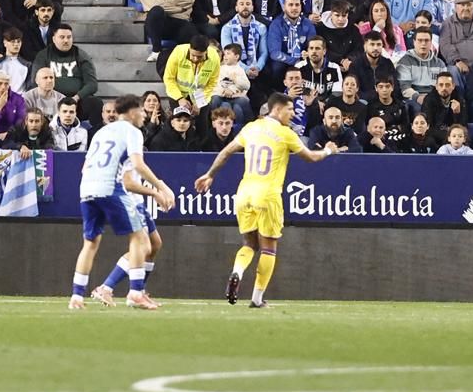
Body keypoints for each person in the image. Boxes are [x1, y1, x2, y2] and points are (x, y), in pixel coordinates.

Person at [194, 91, 337, 309]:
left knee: (249, 243)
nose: (292, 114)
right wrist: (327, 151)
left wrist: (210, 174)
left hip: (244, 192)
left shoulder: (251, 128)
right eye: (290, 109)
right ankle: (257, 298)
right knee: (269, 248)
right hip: (268, 193)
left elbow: (226, 152)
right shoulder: (285, 133)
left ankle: (237, 271)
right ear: (277, 109)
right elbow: (310, 157)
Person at [69, 94, 174, 311]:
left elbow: (84, 166)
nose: (145, 115)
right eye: (142, 111)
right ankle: (135, 292)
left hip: (86, 187)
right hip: (110, 187)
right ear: (133, 111)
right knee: (140, 239)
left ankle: (76, 297)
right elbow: (138, 164)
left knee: (90, 243)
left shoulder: (101, 131)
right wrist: (161, 186)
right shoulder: (132, 131)